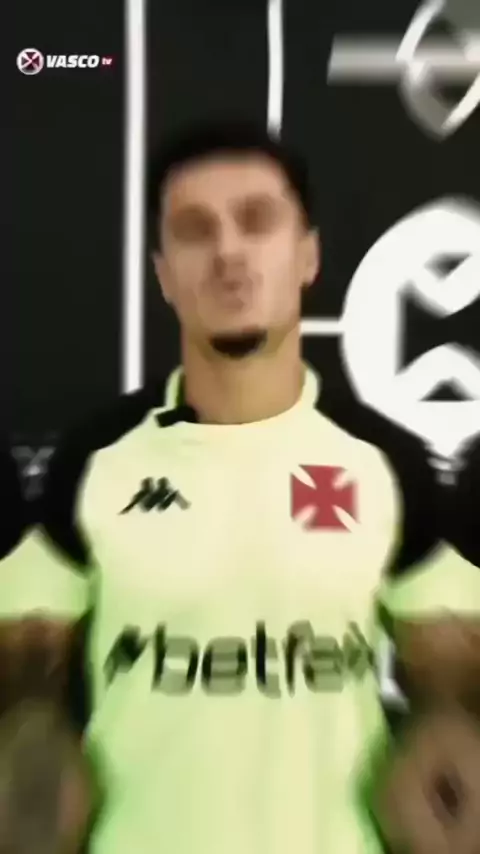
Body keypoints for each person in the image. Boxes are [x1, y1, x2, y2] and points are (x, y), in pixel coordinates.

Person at [1, 121, 480, 854]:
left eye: (256, 221)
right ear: (164, 273)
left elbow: (448, 663)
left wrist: (444, 719)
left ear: (307, 255)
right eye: (195, 231)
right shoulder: (93, 457)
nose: (228, 251)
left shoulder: (387, 461)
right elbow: (28, 658)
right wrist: (33, 725)